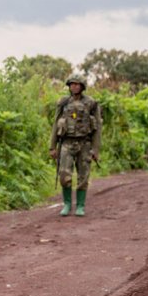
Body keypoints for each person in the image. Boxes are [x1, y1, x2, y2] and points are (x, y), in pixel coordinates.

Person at [49, 75, 101, 216]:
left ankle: (80, 206)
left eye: (78, 84)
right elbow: (55, 123)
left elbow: (97, 128)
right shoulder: (63, 102)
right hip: (66, 143)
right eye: (72, 84)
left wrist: (95, 149)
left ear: (83, 86)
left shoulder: (91, 103)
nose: (74, 87)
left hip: (84, 144)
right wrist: (52, 147)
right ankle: (66, 204)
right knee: (64, 175)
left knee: (83, 176)